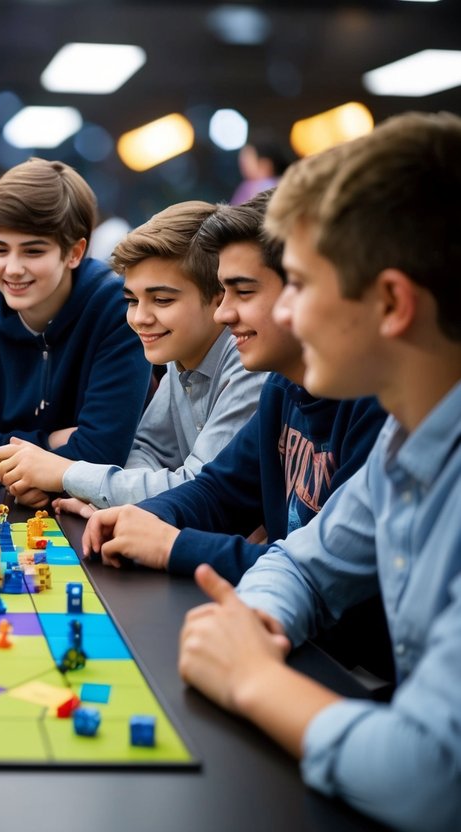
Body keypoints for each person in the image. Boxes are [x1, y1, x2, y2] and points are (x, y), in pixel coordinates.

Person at [177, 112, 461, 830]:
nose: (287, 314)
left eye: (298, 284)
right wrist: (258, 621)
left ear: (391, 303)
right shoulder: (404, 438)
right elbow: (300, 564)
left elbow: (431, 777)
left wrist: (251, 676)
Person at [80, 182, 386, 582]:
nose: (222, 314)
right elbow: (218, 491)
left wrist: (172, 545)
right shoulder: (284, 386)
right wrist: (142, 517)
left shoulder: (376, 404)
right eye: (223, 291)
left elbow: (327, 571)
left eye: (242, 292)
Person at [0, 201, 266, 510]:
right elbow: (147, 451)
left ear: (220, 299)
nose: (139, 318)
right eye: (132, 300)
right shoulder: (180, 354)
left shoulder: (250, 362)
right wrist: (120, 504)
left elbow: (201, 489)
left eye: (162, 300)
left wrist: (66, 475)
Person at [0, 157, 151, 496]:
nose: (12, 268)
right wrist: (50, 444)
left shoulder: (118, 309)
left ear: (75, 252)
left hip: (108, 509)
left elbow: (101, 454)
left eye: (33, 251)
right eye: (0, 249)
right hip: (15, 504)